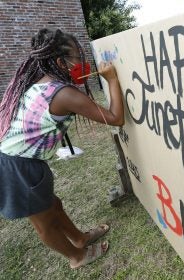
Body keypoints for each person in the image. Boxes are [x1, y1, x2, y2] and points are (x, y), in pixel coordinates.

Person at [0, 28, 124, 268]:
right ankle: (77, 257)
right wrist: (112, 80)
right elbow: (116, 118)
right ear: (60, 62)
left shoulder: (40, 82)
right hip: (16, 167)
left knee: (52, 205)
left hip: (21, 162)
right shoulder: (64, 94)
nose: (84, 63)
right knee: (43, 224)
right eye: (79, 57)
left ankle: (79, 238)